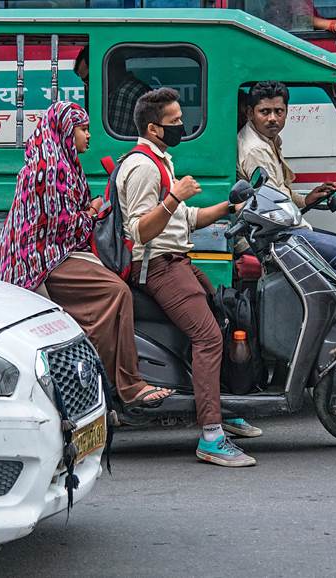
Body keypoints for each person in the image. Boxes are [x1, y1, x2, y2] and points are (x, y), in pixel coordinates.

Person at [0, 101, 173, 409]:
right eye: (83, 129)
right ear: (65, 131)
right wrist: (91, 212)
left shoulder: (63, 162)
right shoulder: (50, 169)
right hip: (38, 261)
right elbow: (60, 226)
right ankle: (119, 383)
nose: (88, 136)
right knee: (116, 292)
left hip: (55, 252)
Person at [118, 87, 259, 467]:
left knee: (222, 318)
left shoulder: (161, 160)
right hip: (160, 266)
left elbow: (186, 220)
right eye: (175, 121)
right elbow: (140, 232)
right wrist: (174, 197)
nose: (182, 126)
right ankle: (211, 436)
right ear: (154, 127)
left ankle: (222, 407)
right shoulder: (143, 167)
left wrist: (230, 207)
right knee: (209, 337)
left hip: (178, 259)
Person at [237, 80, 336, 287]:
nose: (272, 119)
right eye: (264, 112)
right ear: (251, 113)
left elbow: (278, 192)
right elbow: (273, 210)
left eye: (279, 111)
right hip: (272, 237)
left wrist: (305, 200)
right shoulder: (255, 149)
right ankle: (324, 312)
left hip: (276, 231)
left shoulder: (268, 141)